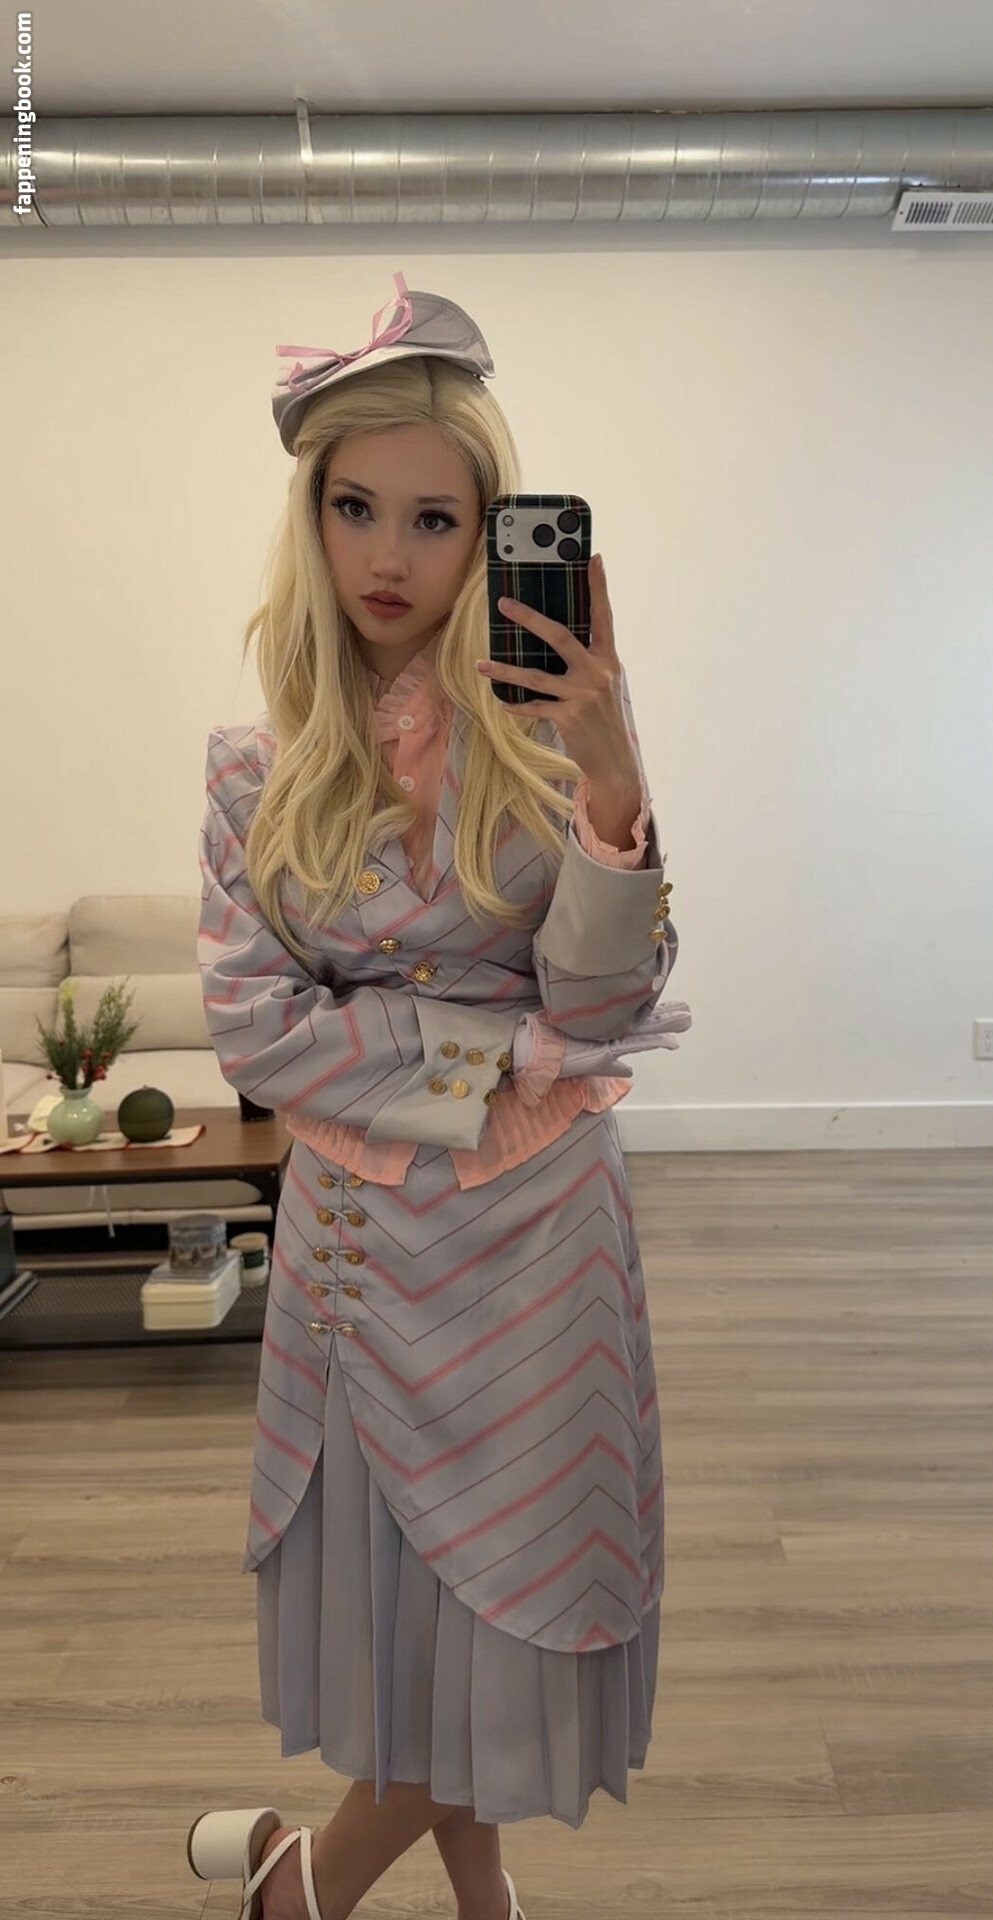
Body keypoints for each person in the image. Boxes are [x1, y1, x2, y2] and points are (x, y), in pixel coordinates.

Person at [188, 273, 689, 1920]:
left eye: (433, 517)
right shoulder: (256, 770)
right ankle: (417, 1900)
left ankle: (298, 1891)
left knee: (501, 1596)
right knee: (416, 1607)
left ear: (489, 535)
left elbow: (601, 1010)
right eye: (355, 508)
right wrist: (496, 1055)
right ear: (312, 518)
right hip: (354, 1251)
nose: (388, 555)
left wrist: (613, 794)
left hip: (535, 1244)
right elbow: (255, 1031)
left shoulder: (550, 747)